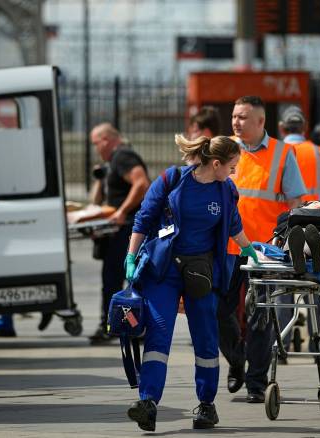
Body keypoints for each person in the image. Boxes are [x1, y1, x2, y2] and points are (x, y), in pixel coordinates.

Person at [123, 134, 257, 431]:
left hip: (200, 273)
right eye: (232, 167)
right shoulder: (171, 180)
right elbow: (143, 220)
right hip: (164, 271)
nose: (234, 173)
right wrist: (131, 257)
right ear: (217, 163)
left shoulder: (226, 191)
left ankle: (206, 405)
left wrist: (251, 251)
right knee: (158, 334)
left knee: (205, 336)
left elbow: (234, 227)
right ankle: (148, 402)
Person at [219, 96, 306, 402]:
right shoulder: (224, 149)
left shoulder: (283, 154)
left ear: (260, 122)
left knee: (260, 317)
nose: (236, 122)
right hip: (227, 248)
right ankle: (236, 361)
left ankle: (256, 383)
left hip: (264, 252)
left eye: (242, 117)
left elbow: (296, 201)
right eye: (234, 116)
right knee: (219, 311)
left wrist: (288, 242)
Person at [276, 105, 320, 363]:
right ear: (305, 128)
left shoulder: (278, 153)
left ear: (281, 128)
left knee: (284, 287)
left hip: (289, 227)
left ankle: (280, 345)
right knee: (319, 285)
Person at [88, 123, 150, 344]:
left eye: (96, 143)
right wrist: (99, 178)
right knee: (116, 279)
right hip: (118, 229)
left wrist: (122, 212)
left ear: (107, 139)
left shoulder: (122, 156)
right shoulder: (111, 163)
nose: (96, 148)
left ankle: (114, 325)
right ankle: (124, 325)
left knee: (118, 278)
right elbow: (97, 201)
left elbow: (141, 182)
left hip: (127, 229)